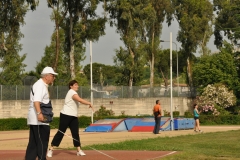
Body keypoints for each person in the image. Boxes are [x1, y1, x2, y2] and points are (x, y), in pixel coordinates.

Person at [47, 80, 94, 158]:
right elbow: (79, 100)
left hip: (73, 116)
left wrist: (75, 114)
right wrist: (89, 103)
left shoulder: (74, 93)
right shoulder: (71, 92)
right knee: (61, 132)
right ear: (71, 86)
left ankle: (79, 150)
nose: (77, 86)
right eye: (75, 85)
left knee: (75, 133)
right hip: (65, 115)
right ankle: (50, 150)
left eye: (77, 85)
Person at [25, 66, 58, 160]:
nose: (54, 78)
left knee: (34, 144)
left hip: (36, 120)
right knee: (42, 142)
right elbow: (36, 101)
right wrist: (39, 113)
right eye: (52, 76)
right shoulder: (40, 85)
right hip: (39, 120)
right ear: (46, 76)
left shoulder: (40, 85)